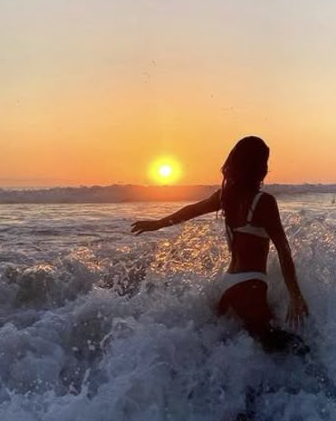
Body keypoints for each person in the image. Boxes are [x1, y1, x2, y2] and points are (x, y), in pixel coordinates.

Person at [131, 136, 309, 353]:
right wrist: (295, 294)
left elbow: (191, 211)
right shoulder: (264, 202)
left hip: (227, 285)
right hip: (250, 285)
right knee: (291, 348)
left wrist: (157, 224)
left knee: (244, 352)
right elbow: (283, 249)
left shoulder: (226, 196)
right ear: (260, 167)